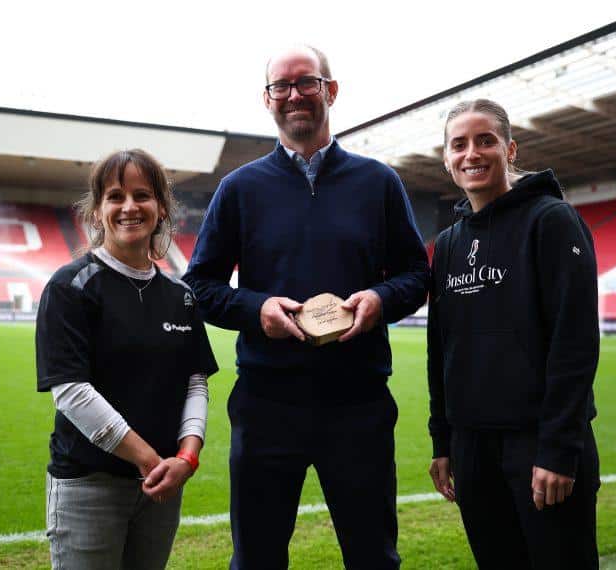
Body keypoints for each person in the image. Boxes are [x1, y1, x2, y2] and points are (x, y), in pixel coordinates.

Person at [183, 45, 429, 569]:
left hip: (358, 405)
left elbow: (415, 276)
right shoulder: (239, 189)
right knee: (257, 559)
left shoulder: (378, 182)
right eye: (282, 87)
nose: (294, 95)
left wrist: (381, 299)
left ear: (330, 91)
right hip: (267, 406)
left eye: (307, 83)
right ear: (267, 100)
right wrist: (257, 310)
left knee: (373, 557)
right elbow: (200, 286)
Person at [427, 99, 601, 569]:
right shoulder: (447, 245)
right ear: (446, 158)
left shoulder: (551, 220)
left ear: (510, 148)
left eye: (486, 140)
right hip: (472, 449)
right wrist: (443, 442)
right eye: (458, 144)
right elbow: (441, 350)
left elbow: (576, 341)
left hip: (540, 446)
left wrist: (559, 449)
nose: (472, 153)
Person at [35, 149, 218, 570]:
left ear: (161, 208)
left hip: (162, 488)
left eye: (143, 195)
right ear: (97, 211)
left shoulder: (181, 296)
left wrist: (187, 459)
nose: (130, 207)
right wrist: (154, 463)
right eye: (116, 196)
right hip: (90, 486)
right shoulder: (70, 287)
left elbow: (195, 381)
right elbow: (72, 392)